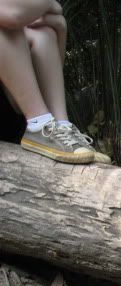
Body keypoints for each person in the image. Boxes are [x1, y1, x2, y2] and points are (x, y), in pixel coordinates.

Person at [0, 0, 109, 164]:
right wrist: (48, 3)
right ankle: (39, 123)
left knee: (41, 31)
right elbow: (13, 16)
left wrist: (60, 27)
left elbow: (40, 85)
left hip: (15, 118)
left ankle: (61, 126)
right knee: (8, 26)